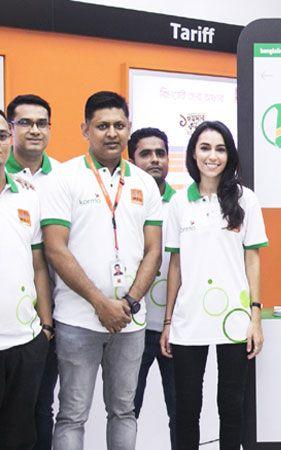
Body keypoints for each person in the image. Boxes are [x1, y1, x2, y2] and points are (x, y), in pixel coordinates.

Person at [41, 91, 163, 450]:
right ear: (85, 130)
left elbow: (154, 251)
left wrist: (128, 302)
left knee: (124, 411)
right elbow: (55, 248)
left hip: (130, 321)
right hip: (77, 319)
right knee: (72, 414)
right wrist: (100, 303)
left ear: (129, 128)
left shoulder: (143, 182)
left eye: (119, 125)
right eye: (102, 126)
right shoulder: (63, 177)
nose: (112, 133)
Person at [160, 121, 266, 450]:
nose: (212, 156)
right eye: (205, 148)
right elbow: (175, 265)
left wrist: (256, 317)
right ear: (193, 154)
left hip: (234, 319)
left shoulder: (246, 200)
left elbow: (252, 259)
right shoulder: (179, 203)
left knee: (232, 407)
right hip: (188, 320)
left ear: (229, 155)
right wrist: (168, 321)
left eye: (220, 149)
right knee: (186, 408)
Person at [5, 93, 60, 450]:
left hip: (43, 322)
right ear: (12, 130)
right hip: (15, 323)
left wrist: (46, 324)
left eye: (42, 123)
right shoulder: (12, 179)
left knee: (38, 409)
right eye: (25, 122)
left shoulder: (64, 177)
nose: (34, 130)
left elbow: (42, 261)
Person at [128, 127, 177, 450]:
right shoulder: (121, 202)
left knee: (182, 413)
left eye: (160, 153)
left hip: (175, 329)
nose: (155, 160)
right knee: (126, 410)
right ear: (132, 160)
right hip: (132, 326)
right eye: (145, 154)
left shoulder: (184, 203)